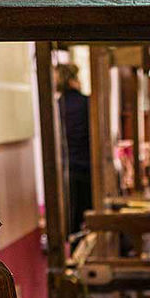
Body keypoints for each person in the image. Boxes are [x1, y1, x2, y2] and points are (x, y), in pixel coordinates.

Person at [57, 63, 92, 241]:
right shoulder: (87, 103)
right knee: (90, 218)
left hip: (67, 169)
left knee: (73, 220)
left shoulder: (57, 106)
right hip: (88, 169)